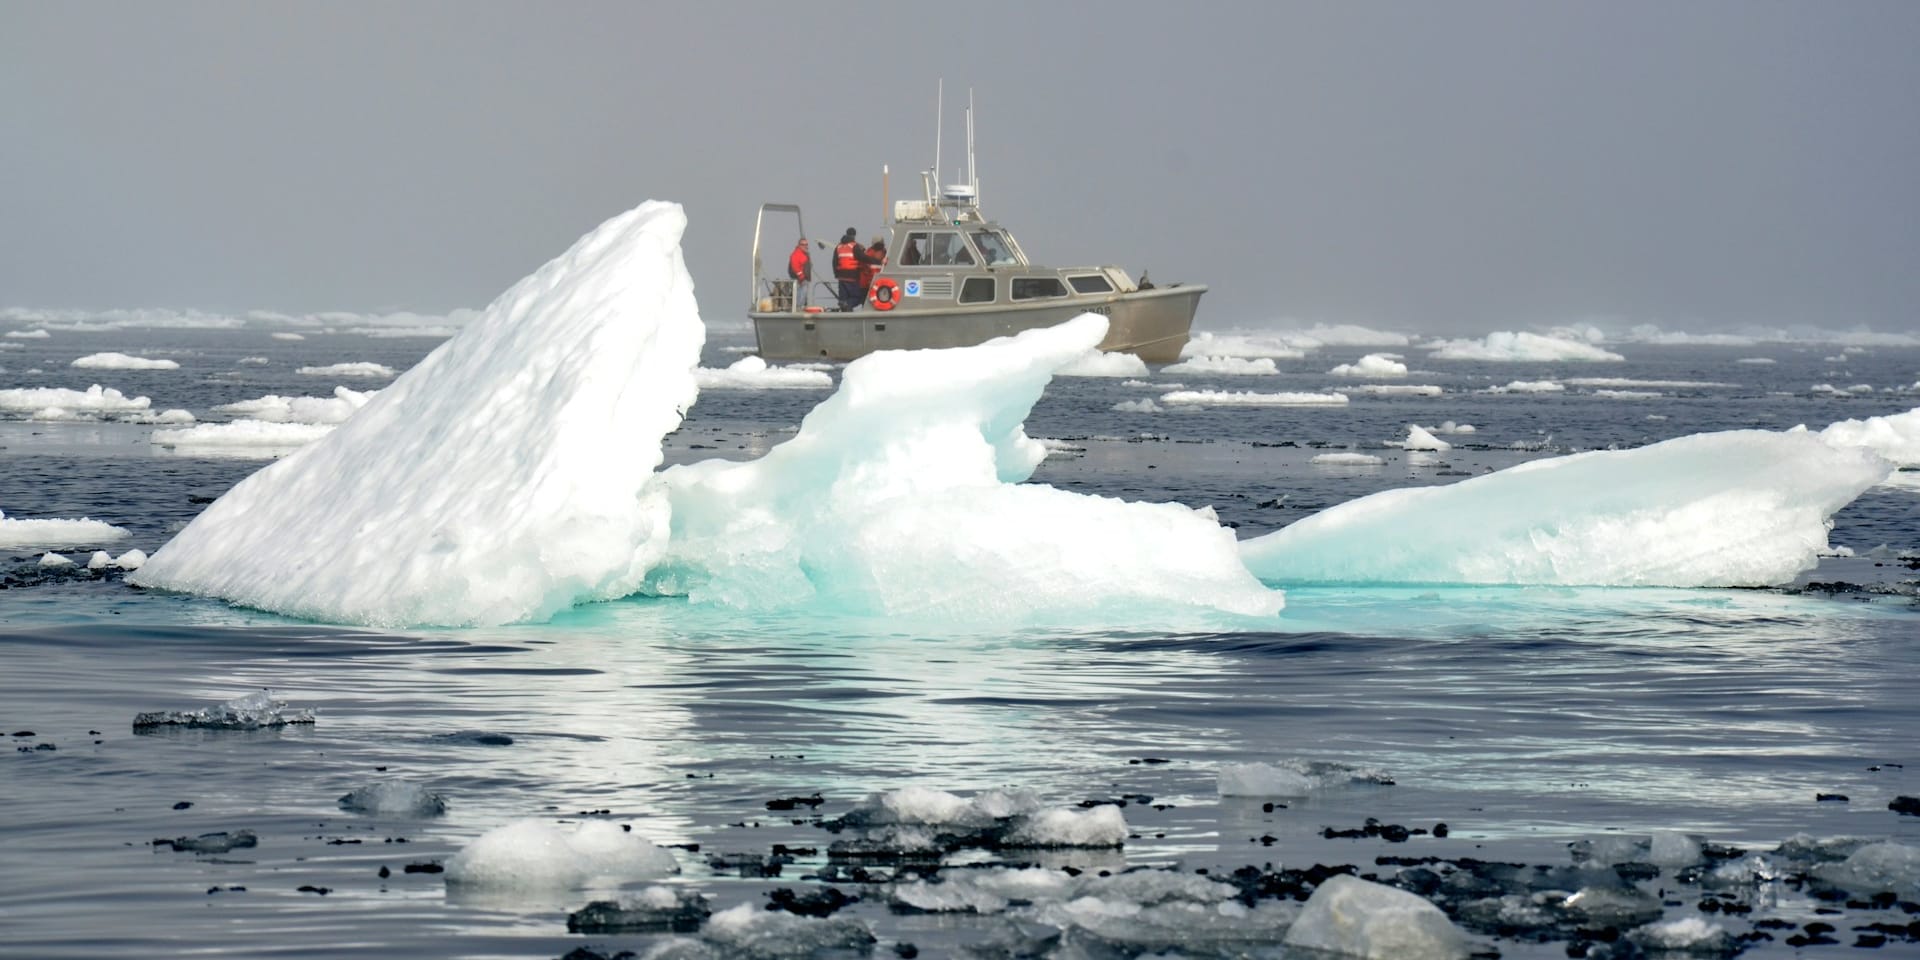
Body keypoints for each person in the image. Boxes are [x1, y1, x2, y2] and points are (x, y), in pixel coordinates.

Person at [832, 228, 861, 310]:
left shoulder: (838, 246)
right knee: (857, 297)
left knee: (843, 299)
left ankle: (845, 307)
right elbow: (862, 258)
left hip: (841, 277)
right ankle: (847, 305)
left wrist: (836, 274)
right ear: (854, 235)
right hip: (852, 277)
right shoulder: (855, 246)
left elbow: (834, 261)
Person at [786, 237, 812, 309]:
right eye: (803, 244)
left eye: (806, 244)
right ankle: (798, 307)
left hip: (804, 278)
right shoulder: (797, 253)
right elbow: (795, 266)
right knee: (801, 292)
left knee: (802, 292)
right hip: (800, 278)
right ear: (799, 245)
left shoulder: (804, 254)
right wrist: (801, 275)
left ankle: (800, 305)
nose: (805, 246)